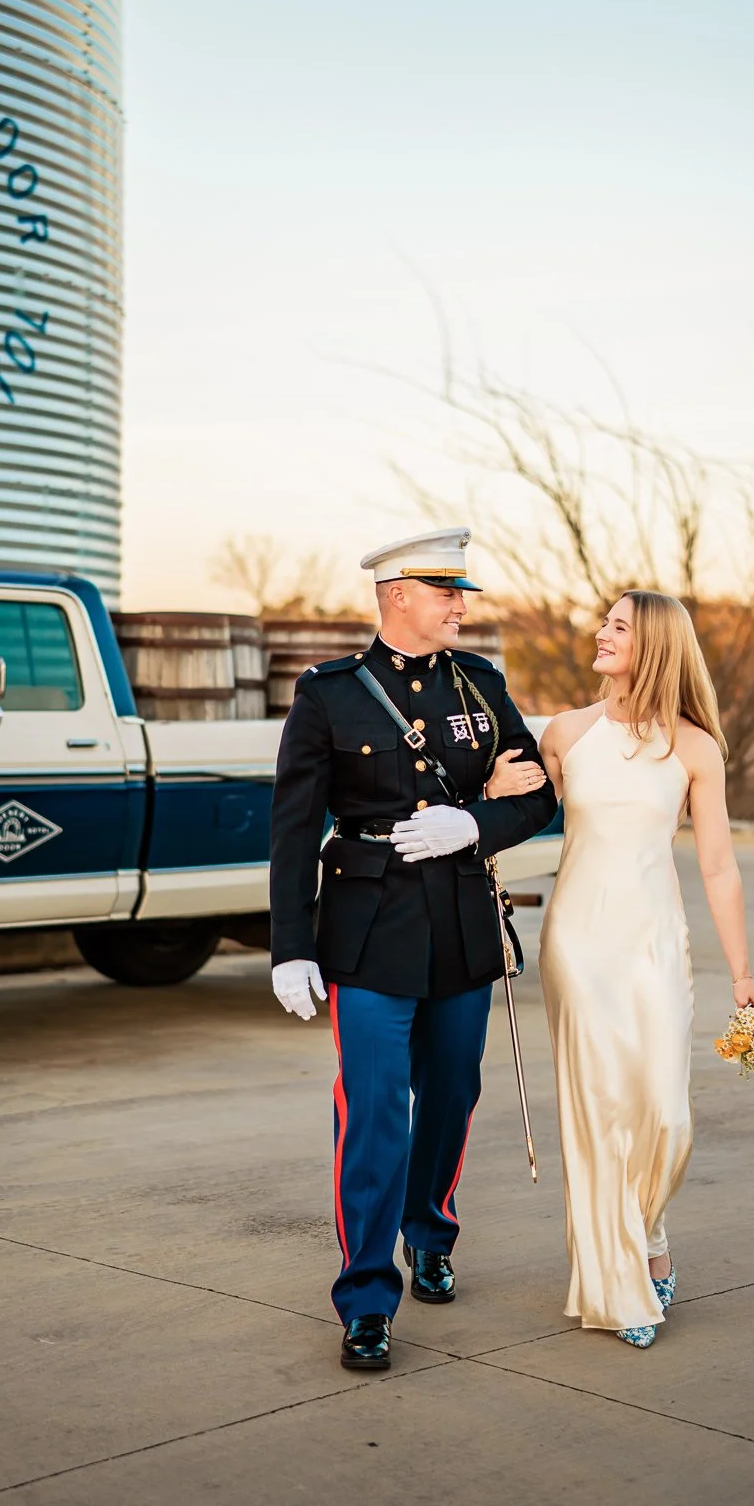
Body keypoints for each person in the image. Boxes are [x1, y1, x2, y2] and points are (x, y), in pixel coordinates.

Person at [269, 527, 558, 1370]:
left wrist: (473, 819)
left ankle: (430, 1231)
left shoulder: (482, 684)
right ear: (398, 595)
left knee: (451, 1093)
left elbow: (535, 795)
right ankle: (366, 1295)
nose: (460, 606)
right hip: (366, 930)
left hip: (464, 915)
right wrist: (291, 945)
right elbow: (293, 831)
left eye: (460, 593)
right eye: (446, 592)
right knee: (370, 1109)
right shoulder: (330, 694)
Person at [535, 590, 754, 1349]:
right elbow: (523, 813)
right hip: (578, 941)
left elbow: (720, 866)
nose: (600, 634)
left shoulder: (695, 747)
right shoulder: (566, 732)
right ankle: (622, 1286)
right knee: (600, 1111)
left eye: (618, 626)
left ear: (655, 644)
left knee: (665, 1114)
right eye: (602, 622)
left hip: (655, 942)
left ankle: (650, 1229)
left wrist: (741, 972)